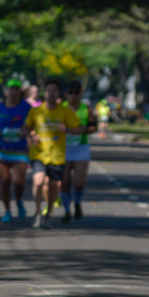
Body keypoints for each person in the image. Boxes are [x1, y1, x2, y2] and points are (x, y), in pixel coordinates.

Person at [25, 80, 83, 229]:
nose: (51, 93)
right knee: (38, 182)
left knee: (53, 186)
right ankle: (38, 212)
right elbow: (25, 128)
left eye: (54, 91)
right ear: (45, 93)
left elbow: (79, 129)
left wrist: (67, 129)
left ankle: (48, 213)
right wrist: (32, 135)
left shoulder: (65, 112)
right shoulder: (36, 111)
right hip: (39, 153)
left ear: (58, 94)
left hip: (57, 156)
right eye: (49, 90)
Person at [0, 79, 33, 222]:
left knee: (18, 182)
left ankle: (19, 200)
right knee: (5, 180)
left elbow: (33, 124)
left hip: (19, 149)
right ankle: (7, 210)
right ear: (7, 91)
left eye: (16, 89)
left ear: (19, 91)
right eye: (11, 88)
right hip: (1, 149)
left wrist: (26, 131)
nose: (13, 91)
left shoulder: (26, 107)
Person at [62, 81, 97, 222]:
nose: (73, 96)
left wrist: (84, 130)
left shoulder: (85, 108)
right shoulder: (61, 108)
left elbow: (93, 126)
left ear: (80, 94)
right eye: (71, 92)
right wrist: (69, 130)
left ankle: (77, 202)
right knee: (64, 182)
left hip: (81, 148)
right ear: (66, 94)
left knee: (79, 182)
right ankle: (66, 210)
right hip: (63, 148)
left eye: (77, 93)